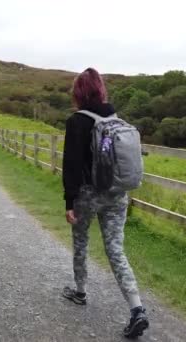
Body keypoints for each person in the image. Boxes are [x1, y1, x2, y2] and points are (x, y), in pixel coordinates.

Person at [61, 67, 149, 338]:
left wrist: (70, 200)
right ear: (100, 89)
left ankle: (80, 291)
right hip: (117, 194)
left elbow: (72, 165)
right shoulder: (115, 118)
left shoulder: (78, 121)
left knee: (81, 241)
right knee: (115, 249)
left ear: (79, 92)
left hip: (88, 194)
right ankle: (137, 309)